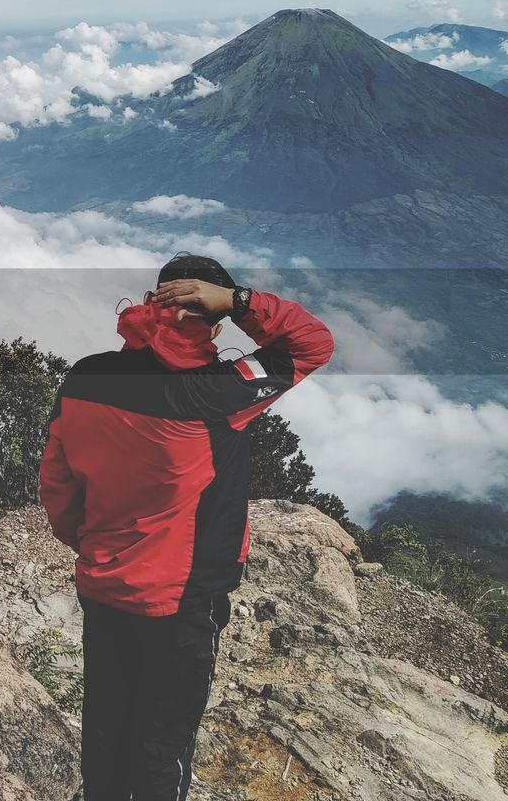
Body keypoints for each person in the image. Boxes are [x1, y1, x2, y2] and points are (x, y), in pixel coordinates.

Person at [38, 254, 334, 801]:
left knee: (105, 727)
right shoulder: (216, 390)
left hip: (103, 585)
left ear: (154, 303)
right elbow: (312, 344)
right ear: (213, 321)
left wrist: (93, 544)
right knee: (162, 745)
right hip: (180, 601)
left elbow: (56, 481)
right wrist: (241, 301)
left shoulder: (84, 376)